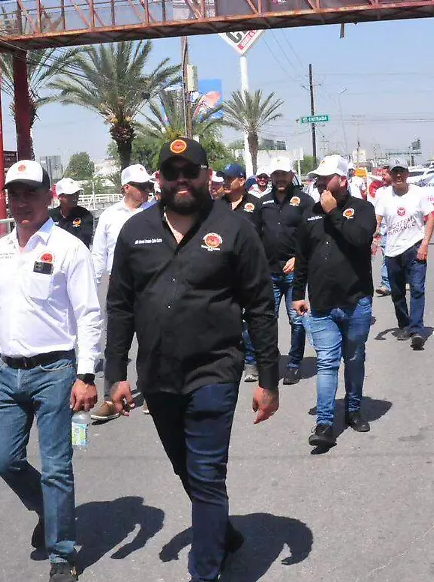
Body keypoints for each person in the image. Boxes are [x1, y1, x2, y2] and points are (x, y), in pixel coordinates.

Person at [106, 137, 280, 582]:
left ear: (208, 175)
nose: (181, 179)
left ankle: (204, 572)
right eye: (172, 172)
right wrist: (115, 375)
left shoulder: (236, 228)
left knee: (204, 474)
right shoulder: (135, 231)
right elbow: (121, 305)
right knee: (185, 468)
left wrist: (269, 379)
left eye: (191, 171)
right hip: (157, 379)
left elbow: (260, 305)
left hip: (214, 373)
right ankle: (223, 532)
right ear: (158, 179)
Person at [0, 161, 101, 582]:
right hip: (9, 373)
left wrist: (86, 375)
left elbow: (88, 315)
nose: (21, 202)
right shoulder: (1, 250)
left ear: (49, 197)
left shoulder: (69, 248)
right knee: (4, 460)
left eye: (30, 193)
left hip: (55, 371)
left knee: (56, 466)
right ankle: (47, 513)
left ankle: (62, 554)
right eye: (14, 194)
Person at [292, 155, 376, 449]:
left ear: (342, 179)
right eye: (317, 178)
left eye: (325, 177)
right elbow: (301, 258)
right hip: (322, 304)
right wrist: (296, 295)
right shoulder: (309, 214)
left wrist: (334, 214)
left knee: (353, 359)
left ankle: (353, 409)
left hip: (356, 302)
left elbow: (360, 239)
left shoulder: (363, 209)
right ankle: (325, 423)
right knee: (327, 362)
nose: (319, 182)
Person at [88, 164, 152, 422]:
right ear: (127, 187)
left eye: (148, 185)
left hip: (150, 286)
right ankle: (111, 399)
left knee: (151, 343)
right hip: (120, 288)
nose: (147, 190)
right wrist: (91, 288)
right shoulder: (110, 215)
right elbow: (99, 254)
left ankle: (151, 394)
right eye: (141, 186)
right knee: (116, 345)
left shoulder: (157, 212)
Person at [256, 157, 314, 385]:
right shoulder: (263, 203)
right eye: (276, 174)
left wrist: (299, 259)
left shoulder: (305, 201)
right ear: (271, 177)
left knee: (296, 321)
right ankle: (269, 365)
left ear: (292, 175)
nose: (280, 178)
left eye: (284, 174)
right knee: (267, 320)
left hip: (294, 272)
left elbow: (313, 235)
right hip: (268, 272)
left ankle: (294, 365)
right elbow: (255, 236)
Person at [373, 158, 434, 350]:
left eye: (402, 171)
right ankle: (404, 324)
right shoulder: (384, 196)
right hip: (392, 250)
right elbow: (377, 219)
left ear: (407, 174)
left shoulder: (418, 193)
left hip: (414, 247)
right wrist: (374, 238)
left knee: (417, 289)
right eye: (395, 172)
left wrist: (425, 244)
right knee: (397, 292)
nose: (398, 175)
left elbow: (431, 217)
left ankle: (417, 329)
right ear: (390, 175)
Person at [218, 163, 265, 383]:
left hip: (249, 272)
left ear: (242, 180)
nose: (225, 182)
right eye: (223, 178)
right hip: (222, 271)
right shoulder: (216, 206)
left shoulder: (257, 205)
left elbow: (265, 238)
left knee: (250, 320)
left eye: (229, 178)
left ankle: (252, 362)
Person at [367, 165, 392, 296]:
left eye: (385, 174)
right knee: (386, 257)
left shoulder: (398, 191)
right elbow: (377, 211)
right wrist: (376, 228)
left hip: (398, 230)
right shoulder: (380, 192)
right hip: (384, 231)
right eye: (381, 174)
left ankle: (401, 279)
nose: (382, 177)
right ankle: (386, 284)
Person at [51, 177, 94, 249]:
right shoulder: (50, 216)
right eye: (70, 194)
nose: (75, 197)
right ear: (60, 196)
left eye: (77, 193)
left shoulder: (85, 215)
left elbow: (84, 240)